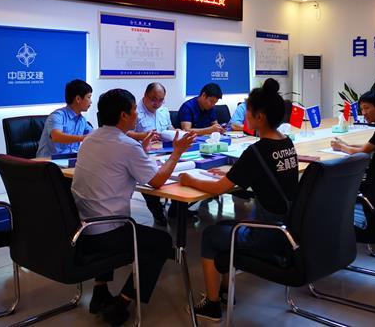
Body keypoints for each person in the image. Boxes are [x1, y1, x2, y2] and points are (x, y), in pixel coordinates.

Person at [71, 89, 196, 325]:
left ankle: (100, 291)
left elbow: (115, 166)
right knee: (161, 242)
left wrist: (142, 152)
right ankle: (122, 302)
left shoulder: (90, 139)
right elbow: (157, 181)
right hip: (107, 233)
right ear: (123, 115)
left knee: (113, 218)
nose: (136, 114)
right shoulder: (126, 145)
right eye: (134, 110)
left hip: (82, 228)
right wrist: (177, 153)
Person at [179, 78, 298, 322]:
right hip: (287, 227)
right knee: (225, 228)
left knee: (211, 236)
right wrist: (228, 174)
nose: (245, 116)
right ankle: (224, 291)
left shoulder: (256, 151)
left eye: (249, 111)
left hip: (265, 233)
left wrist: (189, 179)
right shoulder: (287, 143)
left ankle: (212, 305)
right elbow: (253, 176)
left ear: (259, 117)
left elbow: (218, 188)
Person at [132, 82, 175, 226]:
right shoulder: (134, 111)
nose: (157, 104)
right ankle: (158, 213)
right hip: (141, 154)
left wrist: (175, 133)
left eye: (161, 100)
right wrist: (142, 135)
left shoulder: (164, 111)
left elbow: (170, 128)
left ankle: (176, 209)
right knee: (149, 176)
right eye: (153, 99)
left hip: (163, 152)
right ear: (145, 96)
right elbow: (124, 133)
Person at [36, 79, 93, 158]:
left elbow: (93, 134)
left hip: (70, 159)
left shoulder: (82, 120)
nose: (91, 102)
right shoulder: (57, 116)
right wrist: (82, 138)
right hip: (49, 161)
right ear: (78, 99)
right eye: (89, 97)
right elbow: (56, 136)